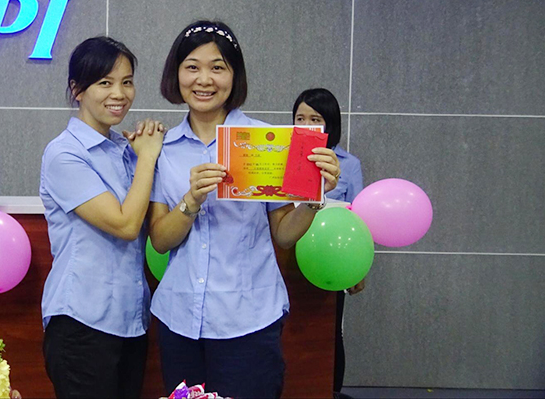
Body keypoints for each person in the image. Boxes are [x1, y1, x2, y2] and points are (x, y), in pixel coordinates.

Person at [146, 20, 341, 399]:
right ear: (176, 74)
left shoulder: (266, 143)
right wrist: (190, 201)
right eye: (192, 66)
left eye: (218, 67)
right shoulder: (163, 148)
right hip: (180, 321)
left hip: (249, 321)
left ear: (234, 76)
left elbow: (284, 234)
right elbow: (159, 239)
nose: (204, 79)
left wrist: (312, 200)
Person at [39, 36, 164, 398]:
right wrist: (148, 158)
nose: (119, 94)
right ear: (77, 90)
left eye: (127, 82)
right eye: (105, 83)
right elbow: (126, 224)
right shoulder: (64, 154)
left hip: (131, 322)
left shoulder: (126, 150)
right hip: (81, 322)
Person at [292, 88, 365, 399]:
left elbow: (359, 217)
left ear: (330, 124)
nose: (307, 125)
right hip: (288, 254)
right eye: (300, 119)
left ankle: (330, 391)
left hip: (329, 260)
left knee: (329, 332)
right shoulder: (281, 157)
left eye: (315, 119)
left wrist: (358, 269)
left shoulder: (349, 164)